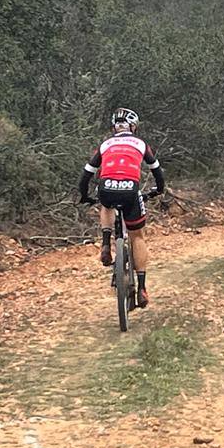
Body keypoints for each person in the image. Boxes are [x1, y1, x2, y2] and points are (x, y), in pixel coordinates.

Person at [78, 107, 165, 309]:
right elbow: (158, 173)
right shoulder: (141, 144)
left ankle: (106, 243)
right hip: (130, 191)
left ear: (114, 127)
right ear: (133, 127)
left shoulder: (105, 144)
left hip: (107, 188)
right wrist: (158, 190)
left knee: (105, 203)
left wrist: (84, 196)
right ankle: (142, 288)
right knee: (137, 236)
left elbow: (85, 176)